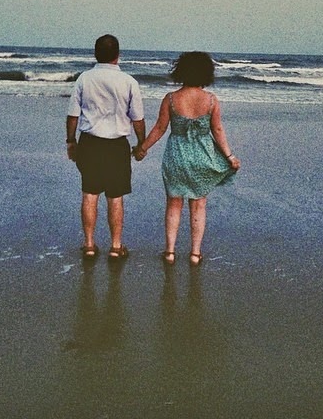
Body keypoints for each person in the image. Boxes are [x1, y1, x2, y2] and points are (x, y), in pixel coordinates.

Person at [134, 51, 241, 266]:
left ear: (181, 71)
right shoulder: (211, 100)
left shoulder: (171, 99)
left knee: (174, 203)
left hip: (176, 156)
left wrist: (142, 148)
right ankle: (195, 254)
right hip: (202, 156)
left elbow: (160, 128)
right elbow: (218, 130)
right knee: (198, 204)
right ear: (206, 73)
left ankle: (170, 252)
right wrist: (230, 156)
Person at [66, 34, 146, 261]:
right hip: (116, 145)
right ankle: (116, 246)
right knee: (115, 196)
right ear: (117, 55)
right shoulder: (129, 82)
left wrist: (71, 141)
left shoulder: (84, 78)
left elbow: (73, 115)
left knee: (89, 194)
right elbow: (137, 118)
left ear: (95, 54)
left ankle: (89, 244)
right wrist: (141, 144)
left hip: (90, 142)